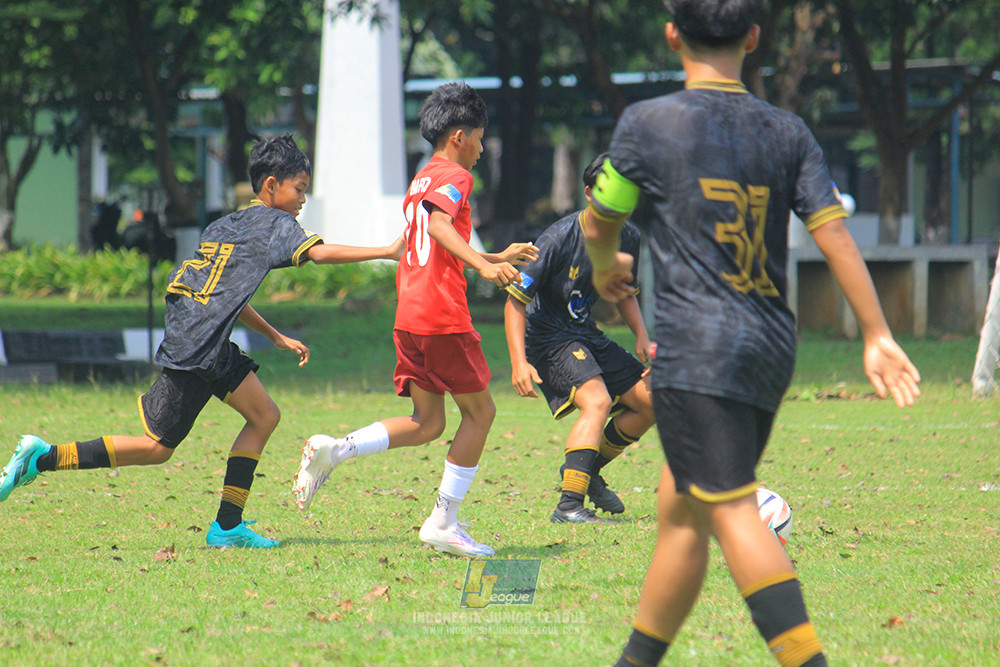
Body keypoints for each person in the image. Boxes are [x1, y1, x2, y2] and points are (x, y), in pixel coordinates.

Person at [581, 2, 922, 665]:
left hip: (696, 348)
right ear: (755, 37)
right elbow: (833, 233)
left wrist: (602, 268)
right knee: (681, 508)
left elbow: (600, 220)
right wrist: (876, 331)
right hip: (769, 346)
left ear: (672, 34)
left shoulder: (647, 123)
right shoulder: (786, 129)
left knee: (731, 505)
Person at [0, 134, 403, 549]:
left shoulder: (225, 225)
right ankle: (42, 457)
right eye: (299, 189)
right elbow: (318, 254)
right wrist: (387, 251)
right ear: (271, 185)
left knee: (264, 415)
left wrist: (275, 336)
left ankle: (228, 526)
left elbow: (225, 295)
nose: (302, 199)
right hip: (200, 345)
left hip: (203, 337)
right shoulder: (276, 223)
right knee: (156, 449)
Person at [291, 82, 538, 558]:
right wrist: (486, 267)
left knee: (427, 423)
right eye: (480, 139)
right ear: (459, 136)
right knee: (481, 413)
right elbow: (441, 227)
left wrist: (493, 256)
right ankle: (443, 523)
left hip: (410, 314)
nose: (481, 149)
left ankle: (335, 450)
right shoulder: (456, 175)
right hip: (442, 316)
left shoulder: (421, 178)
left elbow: (430, 247)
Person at [504, 153, 655, 524]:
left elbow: (625, 291)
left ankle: (586, 471)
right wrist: (519, 362)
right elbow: (515, 301)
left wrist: (641, 335)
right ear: (589, 193)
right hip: (548, 338)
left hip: (585, 333)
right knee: (597, 401)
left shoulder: (628, 236)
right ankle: (569, 506)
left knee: (652, 402)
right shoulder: (559, 238)